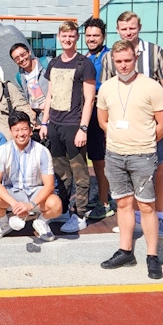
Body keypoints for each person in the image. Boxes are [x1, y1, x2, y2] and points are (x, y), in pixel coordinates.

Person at [97, 40, 163, 280]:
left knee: (147, 206)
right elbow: (103, 121)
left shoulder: (152, 87)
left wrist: (146, 142)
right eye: (118, 61)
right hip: (115, 155)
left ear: (135, 58)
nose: (123, 65)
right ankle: (125, 250)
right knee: (122, 204)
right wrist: (118, 138)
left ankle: (152, 256)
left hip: (143, 155)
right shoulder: (106, 87)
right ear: (112, 61)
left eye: (127, 60)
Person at [100, 11, 163, 238]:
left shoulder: (155, 52)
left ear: (139, 27)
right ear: (118, 30)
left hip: (151, 123)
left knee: (158, 168)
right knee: (124, 171)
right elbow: (107, 92)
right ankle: (131, 219)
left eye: (132, 28)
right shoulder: (110, 57)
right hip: (123, 129)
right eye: (124, 29)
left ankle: (159, 217)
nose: (128, 32)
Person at [39, 21, 96, 233]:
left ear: (77, 37)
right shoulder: (54, 63)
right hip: (55, 125)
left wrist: (83, 128)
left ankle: (80, 214)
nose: (67, 39)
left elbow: (89, 99)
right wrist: (44, 122)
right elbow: (49, 95)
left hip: (74, 125)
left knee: (80, 173)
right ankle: (62, 209)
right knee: (61, 173)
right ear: (59, 37)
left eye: (71, 36)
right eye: (64, 36)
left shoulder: (84, 63)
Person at [0, 111, 62, 242]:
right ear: (10, 131)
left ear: (31, 130)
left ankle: (42, 222)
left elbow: (49, 185)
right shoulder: (2, 151)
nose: (20, 134)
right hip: (12, 192)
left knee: (56, 205)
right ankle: (3, 223)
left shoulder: (42, 151)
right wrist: (14, 204)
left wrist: (31, 205)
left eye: (24, 129)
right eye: (16, 130)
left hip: (35, 192)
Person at [82, 17, 114, 220]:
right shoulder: (85, 56)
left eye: (96, 36)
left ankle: (104, 203)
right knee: (94, 159)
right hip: (87, 115)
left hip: (102, 114)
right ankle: (101, 196)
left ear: (103, 37)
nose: (92, 39)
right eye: (89, 36)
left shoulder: (109, 57)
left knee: (101, 161)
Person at [10, 43, 51, 129]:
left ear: (29, 52)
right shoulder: (19, 78)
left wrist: (48, 104)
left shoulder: (47, 63)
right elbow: (26, 100)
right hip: (42, 119)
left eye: (23, 55)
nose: (21, 59)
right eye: (16, 58)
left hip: (58, 114)